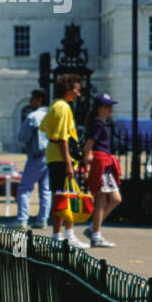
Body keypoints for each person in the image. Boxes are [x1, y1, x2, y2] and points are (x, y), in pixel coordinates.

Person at [40, 74, 87, 247]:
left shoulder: (54, 105)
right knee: (66, 197)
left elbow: (44, 126)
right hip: (61, 157)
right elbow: (63, 137)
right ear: (68, 89)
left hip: (53, 155)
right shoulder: (64, 108)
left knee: (59, 196)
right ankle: (68, 235)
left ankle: (58, 236)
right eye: (76, 90)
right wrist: (68, 162)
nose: (78, 94)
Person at [82, 93, 121, 246]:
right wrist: (87, 167)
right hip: (101, 164)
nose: (110, 109)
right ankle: (96, 235)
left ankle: (93, 228)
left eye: (111, 106)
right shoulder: (98, 124)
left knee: (115, 199)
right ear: (99, 109)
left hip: (106, 163)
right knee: (101, 201)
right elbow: (88, 146)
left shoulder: (103, 124)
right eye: (107, 106)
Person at [15, 89, 52, 229]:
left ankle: (22, 219)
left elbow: (22, 137)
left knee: (25, 188)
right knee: (46, 190)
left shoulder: (33, 116)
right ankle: (42, 219)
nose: (30, 102)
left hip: (36, 156)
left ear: (39, 99)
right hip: (50, 156)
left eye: (32, 99)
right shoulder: (52, 115)